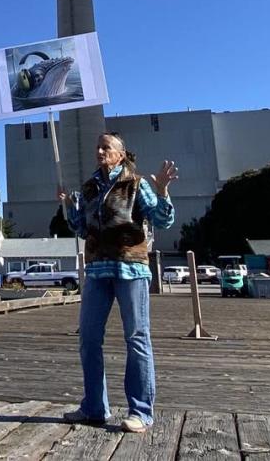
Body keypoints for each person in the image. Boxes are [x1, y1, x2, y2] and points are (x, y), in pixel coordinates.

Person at [57, 131, 177, 433]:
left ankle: (141, 411)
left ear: (120, 154)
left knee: (136, 338)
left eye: (106, 147)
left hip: (131, 269)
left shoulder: (136, 184)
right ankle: (94, 408)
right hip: (97, 270)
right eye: (97, 146)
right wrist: (68, 208)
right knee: (87, 338)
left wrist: (162, 191)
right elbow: (83, 230)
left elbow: (162, 221)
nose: (99, 151)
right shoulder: (89, 188)